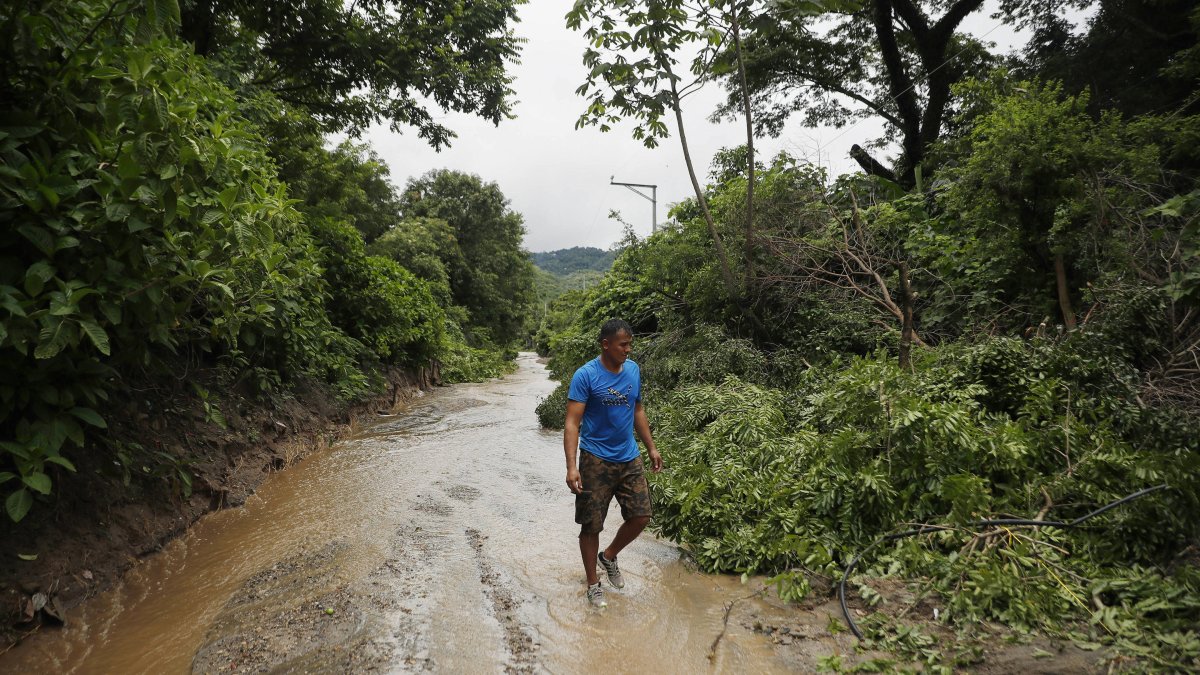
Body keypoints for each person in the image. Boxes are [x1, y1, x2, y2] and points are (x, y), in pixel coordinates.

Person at [564, 318, 663, 608]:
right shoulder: (586, 376)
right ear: (606, 344)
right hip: (595, 459)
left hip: (629, 456)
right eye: (623, 344)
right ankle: (593, 583)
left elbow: (638, 410)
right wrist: (572, 467)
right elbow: (572, 423)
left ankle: (608, 556)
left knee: (642, 516)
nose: (628, 350)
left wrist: (652, 447)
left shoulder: (633, 371)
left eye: (630, 344)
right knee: (591, 525)